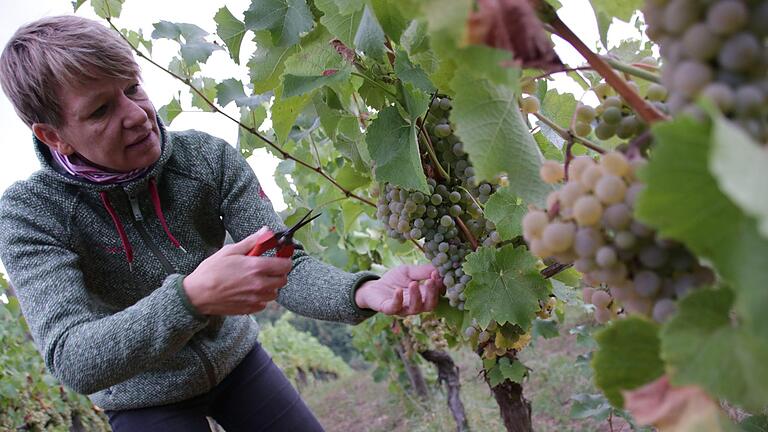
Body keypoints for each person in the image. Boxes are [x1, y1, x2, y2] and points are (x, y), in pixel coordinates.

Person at [0, 15, 443, 432]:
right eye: (100, 111)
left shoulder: (206, 159)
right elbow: (73, 358)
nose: (137, 114)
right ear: (53, 135)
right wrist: (190, 298)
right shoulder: (29, 214)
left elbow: (286, 264)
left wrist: (362, 290)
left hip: (238, 362)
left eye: (133, 88)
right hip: (141, 397)